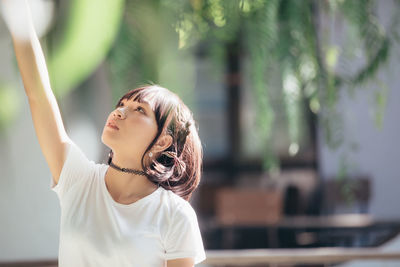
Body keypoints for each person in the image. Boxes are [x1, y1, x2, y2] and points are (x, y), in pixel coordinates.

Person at [1, 0, 206, 266]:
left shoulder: (174, 215)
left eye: (139, 110)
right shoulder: (78, 180)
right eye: (122, 104)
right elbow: (39, 96)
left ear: (163, 141)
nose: (120, 111)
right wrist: (20, 12)